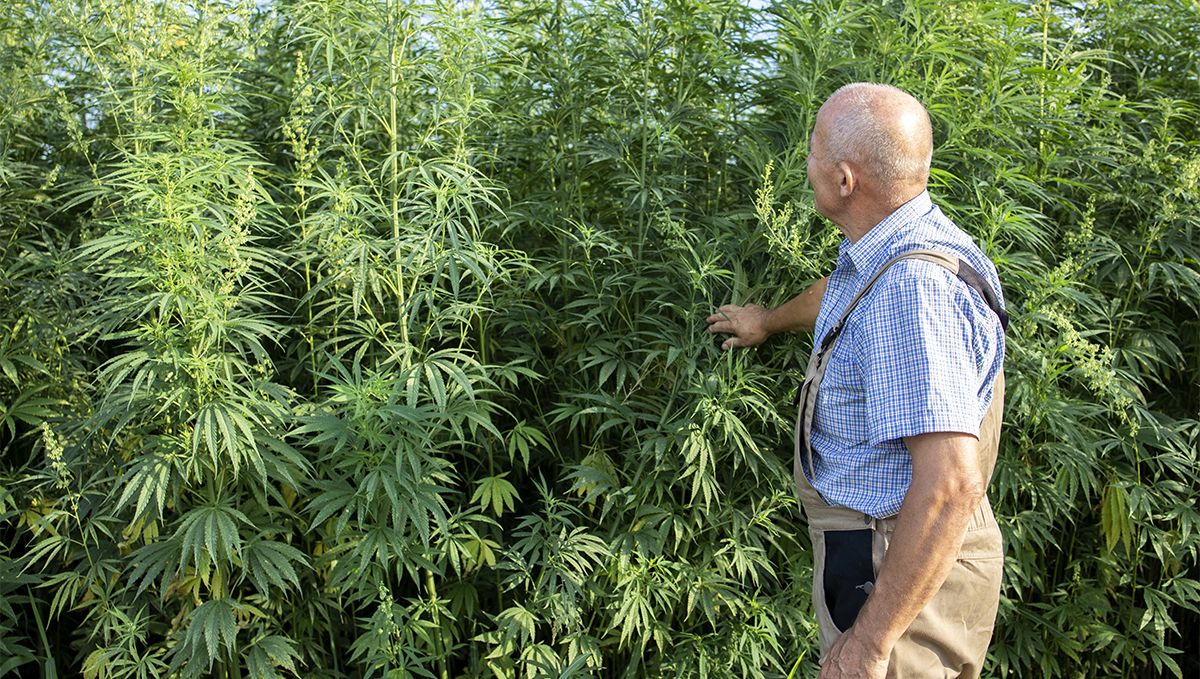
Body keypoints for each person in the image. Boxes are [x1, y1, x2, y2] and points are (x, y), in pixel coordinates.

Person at [706, 83, 1007, 679]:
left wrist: (871, 643)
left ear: (845, 180)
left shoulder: (911, 293)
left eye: (814, 149)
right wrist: (766, 321)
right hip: (886, 553)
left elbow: (949, 486)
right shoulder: (898, 249)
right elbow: (839, 295)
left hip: (896, 566)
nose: (806, 162)